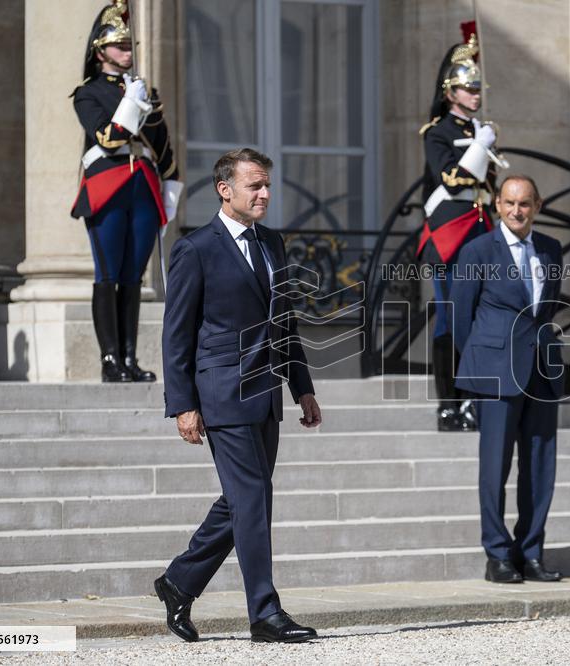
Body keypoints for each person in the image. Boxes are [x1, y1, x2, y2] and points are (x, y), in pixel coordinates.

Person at [155, 148, 323, 643]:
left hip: (266, 391)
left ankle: (179, 582)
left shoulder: (273, 242)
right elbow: (176, 334)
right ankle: (265, 614)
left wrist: (303, 387)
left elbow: (285, 322)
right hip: (221, 391)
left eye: (267, 184)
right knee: (251, 499)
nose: (265, 193)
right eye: (255, 185)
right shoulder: (195, 249)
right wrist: (183, 404)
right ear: (225, 189)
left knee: (244, 501)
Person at [451, 175, 564, 584]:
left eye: (525, 204)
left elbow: (546, 310)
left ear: (537, 205)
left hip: (542, 373)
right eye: (509, 203)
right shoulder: (477, 250)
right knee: (494, 469)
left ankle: (530, 552)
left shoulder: (551, 249)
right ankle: (497, 555)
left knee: (540, 468)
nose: (517, 211)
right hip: (495, 374)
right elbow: (461, 320)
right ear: (497, 204)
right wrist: (483, 364)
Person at [71, 0, 183, 382]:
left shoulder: (142, 90)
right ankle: (109, 360)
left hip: (143, 186)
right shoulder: (89, 93)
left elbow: (164, 148)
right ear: (101, 50)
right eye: (119, 46)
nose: (127, 52)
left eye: (129, 46)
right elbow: (108, 137)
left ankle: (130, 359)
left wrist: (170, 187)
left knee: (133, 276)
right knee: (108, 274)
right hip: (108, 185)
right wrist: (133, 106)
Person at [418, 22, 498, 432]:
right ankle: (449, 403)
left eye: (478, 87)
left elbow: (489, 188)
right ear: (450, 91)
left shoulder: (479, 131)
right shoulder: (438, 133)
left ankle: (474, 399)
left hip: (482, 229)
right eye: (468, 87)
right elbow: (450, 179)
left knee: (482, 317)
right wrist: (481, 148)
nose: (476, 94)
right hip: (451, 231)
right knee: (451, 317)